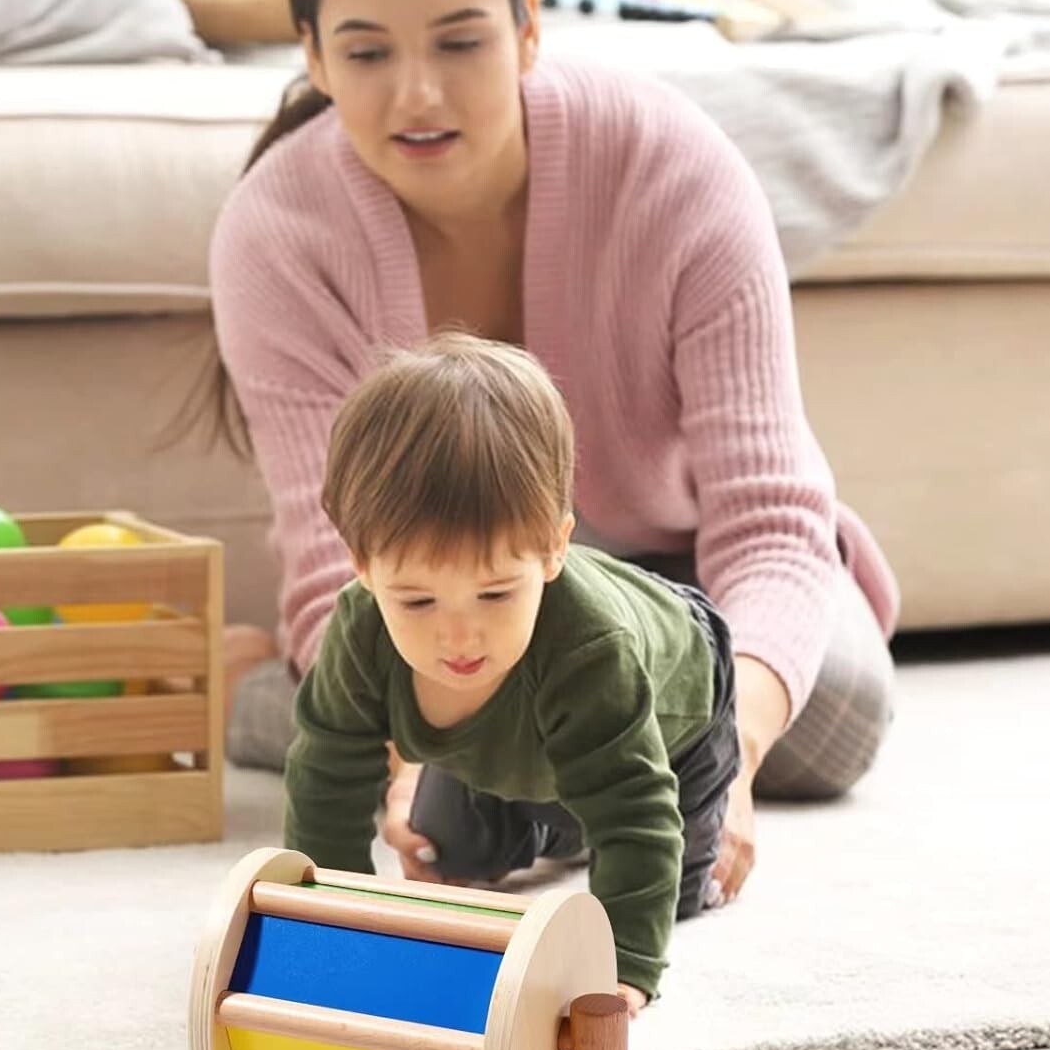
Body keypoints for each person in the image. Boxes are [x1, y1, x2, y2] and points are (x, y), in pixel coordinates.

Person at [211, 0, 900, 910]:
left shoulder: (676, 165)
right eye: (366, 55)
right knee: (407, 747)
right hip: (458, 599)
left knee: (835, 711)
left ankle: (551, 773)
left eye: (460, 43)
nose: (419, 96)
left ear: (528, 29)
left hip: (677, 583)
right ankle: (555, 764)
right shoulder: (275, 233)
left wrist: (732, 764)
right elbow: (339, 572)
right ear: (310, 57)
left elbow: (769, 518)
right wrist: (408, 766)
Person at [288, 334, 740, 1014]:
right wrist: (336, 935)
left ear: (556, 548)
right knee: (450, 854)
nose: (460, 635)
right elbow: (327, 778)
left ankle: (592, 823)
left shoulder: (592, 648)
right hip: (526, 744)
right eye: (416, 601)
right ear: (362, 565)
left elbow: (637, 813)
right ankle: (557, 824)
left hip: (680, 727)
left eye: (496, 593)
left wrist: (623, 973)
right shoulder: (357, 630)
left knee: (658, 890)